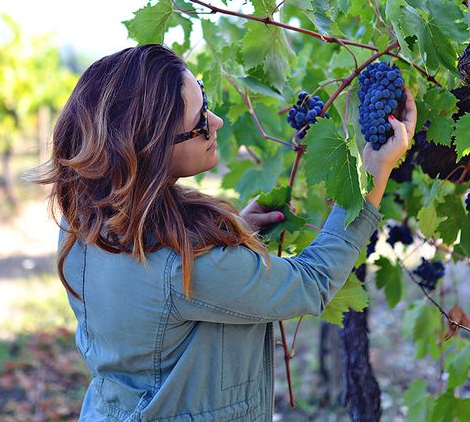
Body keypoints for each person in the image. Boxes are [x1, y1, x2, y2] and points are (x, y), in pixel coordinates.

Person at [25, 44, 417, 422]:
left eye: (205, 99)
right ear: (152, 149)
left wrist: (233, 233)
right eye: (199, 122)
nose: (217, 122)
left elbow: (155, 304)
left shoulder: (83, 223)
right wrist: (374, 175)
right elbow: (311, 283)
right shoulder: (185, 266)